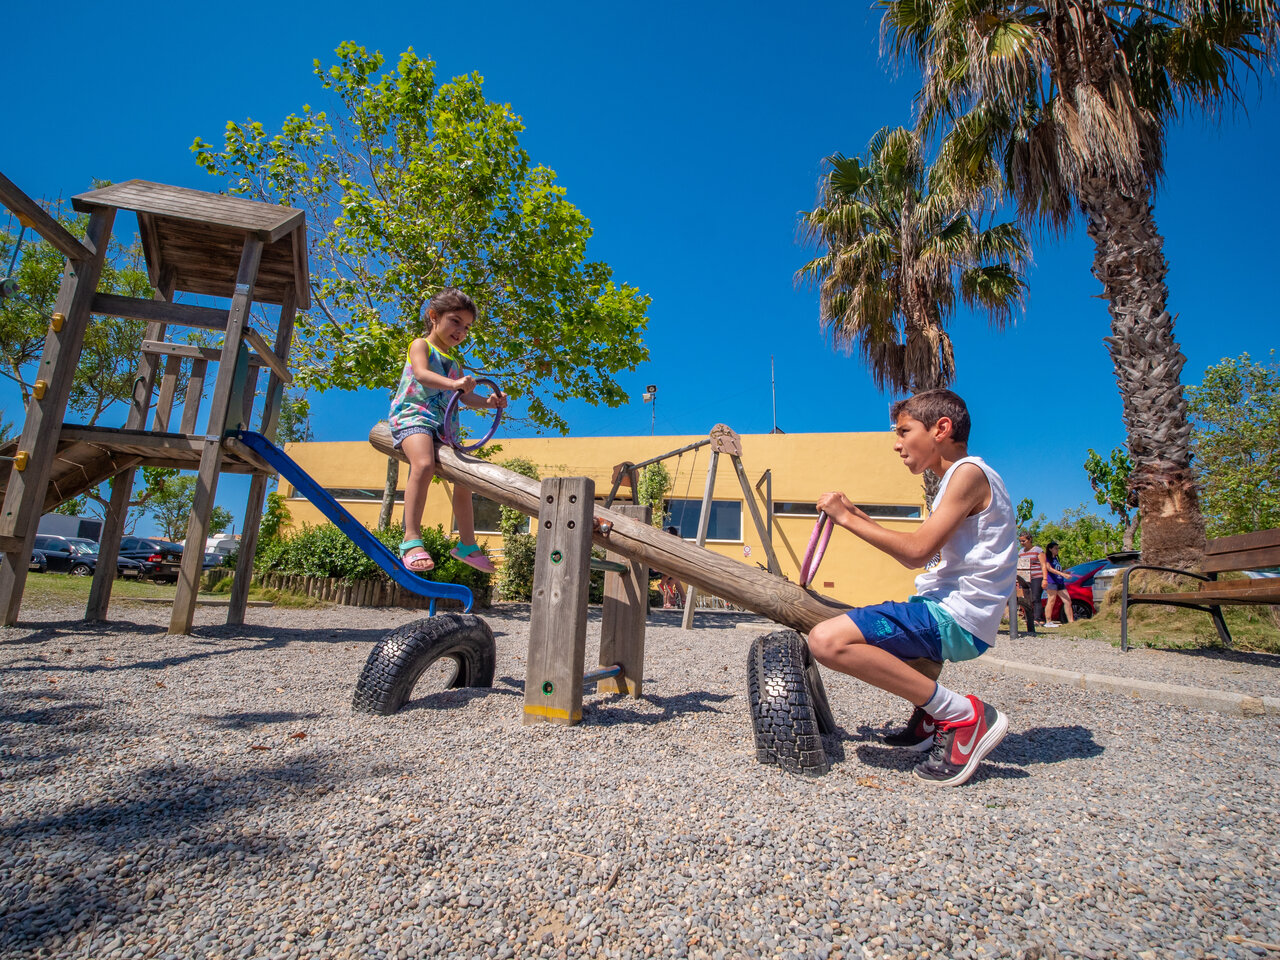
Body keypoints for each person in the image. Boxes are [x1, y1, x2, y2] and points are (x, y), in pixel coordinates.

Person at [806, 389, 1016, 787]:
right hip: (952, 613)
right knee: (861, 624)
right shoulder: (963, 477)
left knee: (827, 641)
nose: (897, 445)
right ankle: (929, 719)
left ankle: (960, 715)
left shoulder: (968, 474)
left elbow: (917, 551)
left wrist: (848, 520)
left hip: (954, 617)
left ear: (941, 428)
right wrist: (853, 513)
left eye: (904, 431)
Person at [389, 288, 507, 574]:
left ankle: (467, 545)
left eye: (466, 327)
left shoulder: (455, 364)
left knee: (465, 479)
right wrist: (454, 384)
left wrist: (489, 402)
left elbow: (464, 397)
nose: (461, 331)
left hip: (443, 427)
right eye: (455, 321)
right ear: (433, 316)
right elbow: (421, 374)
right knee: (424, 464)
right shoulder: (421, 346)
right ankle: (411, 539)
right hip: (414, 416)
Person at [1017, 530, 1047, 627]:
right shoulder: (1021, 552)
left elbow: (1043, 565)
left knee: (1035, 597)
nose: (1022, 543)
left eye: (1023, 541)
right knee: (1026, 599)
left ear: (1030, 540)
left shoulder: (1038, 550)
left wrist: (1045, 579)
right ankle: (1029, 619)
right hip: (1025, 577)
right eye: (1020, 541)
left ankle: (1038, 619)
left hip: (1037, 576)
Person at [1041, 540, 1075, 624]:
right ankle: (1048, 621)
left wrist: (1065, 572)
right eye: (1055, 548)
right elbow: (1049, 569)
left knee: (1067, 601)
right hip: (1051, 582)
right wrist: (1063, 574)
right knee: (1051, 600)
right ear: (1050, 549)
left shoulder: (1055, 559)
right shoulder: (1047, 558)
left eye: (1057, 548)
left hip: (1059, 582)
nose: (1057, 550)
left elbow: (1057, 569)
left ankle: (1071, 621)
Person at [658, 526, 685, 608]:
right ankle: (670, 602)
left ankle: (681, 599)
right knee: (671, 582)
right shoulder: (672, 542)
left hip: (671, 565)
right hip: (671, 566)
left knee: (673, 582)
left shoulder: (673, 542)